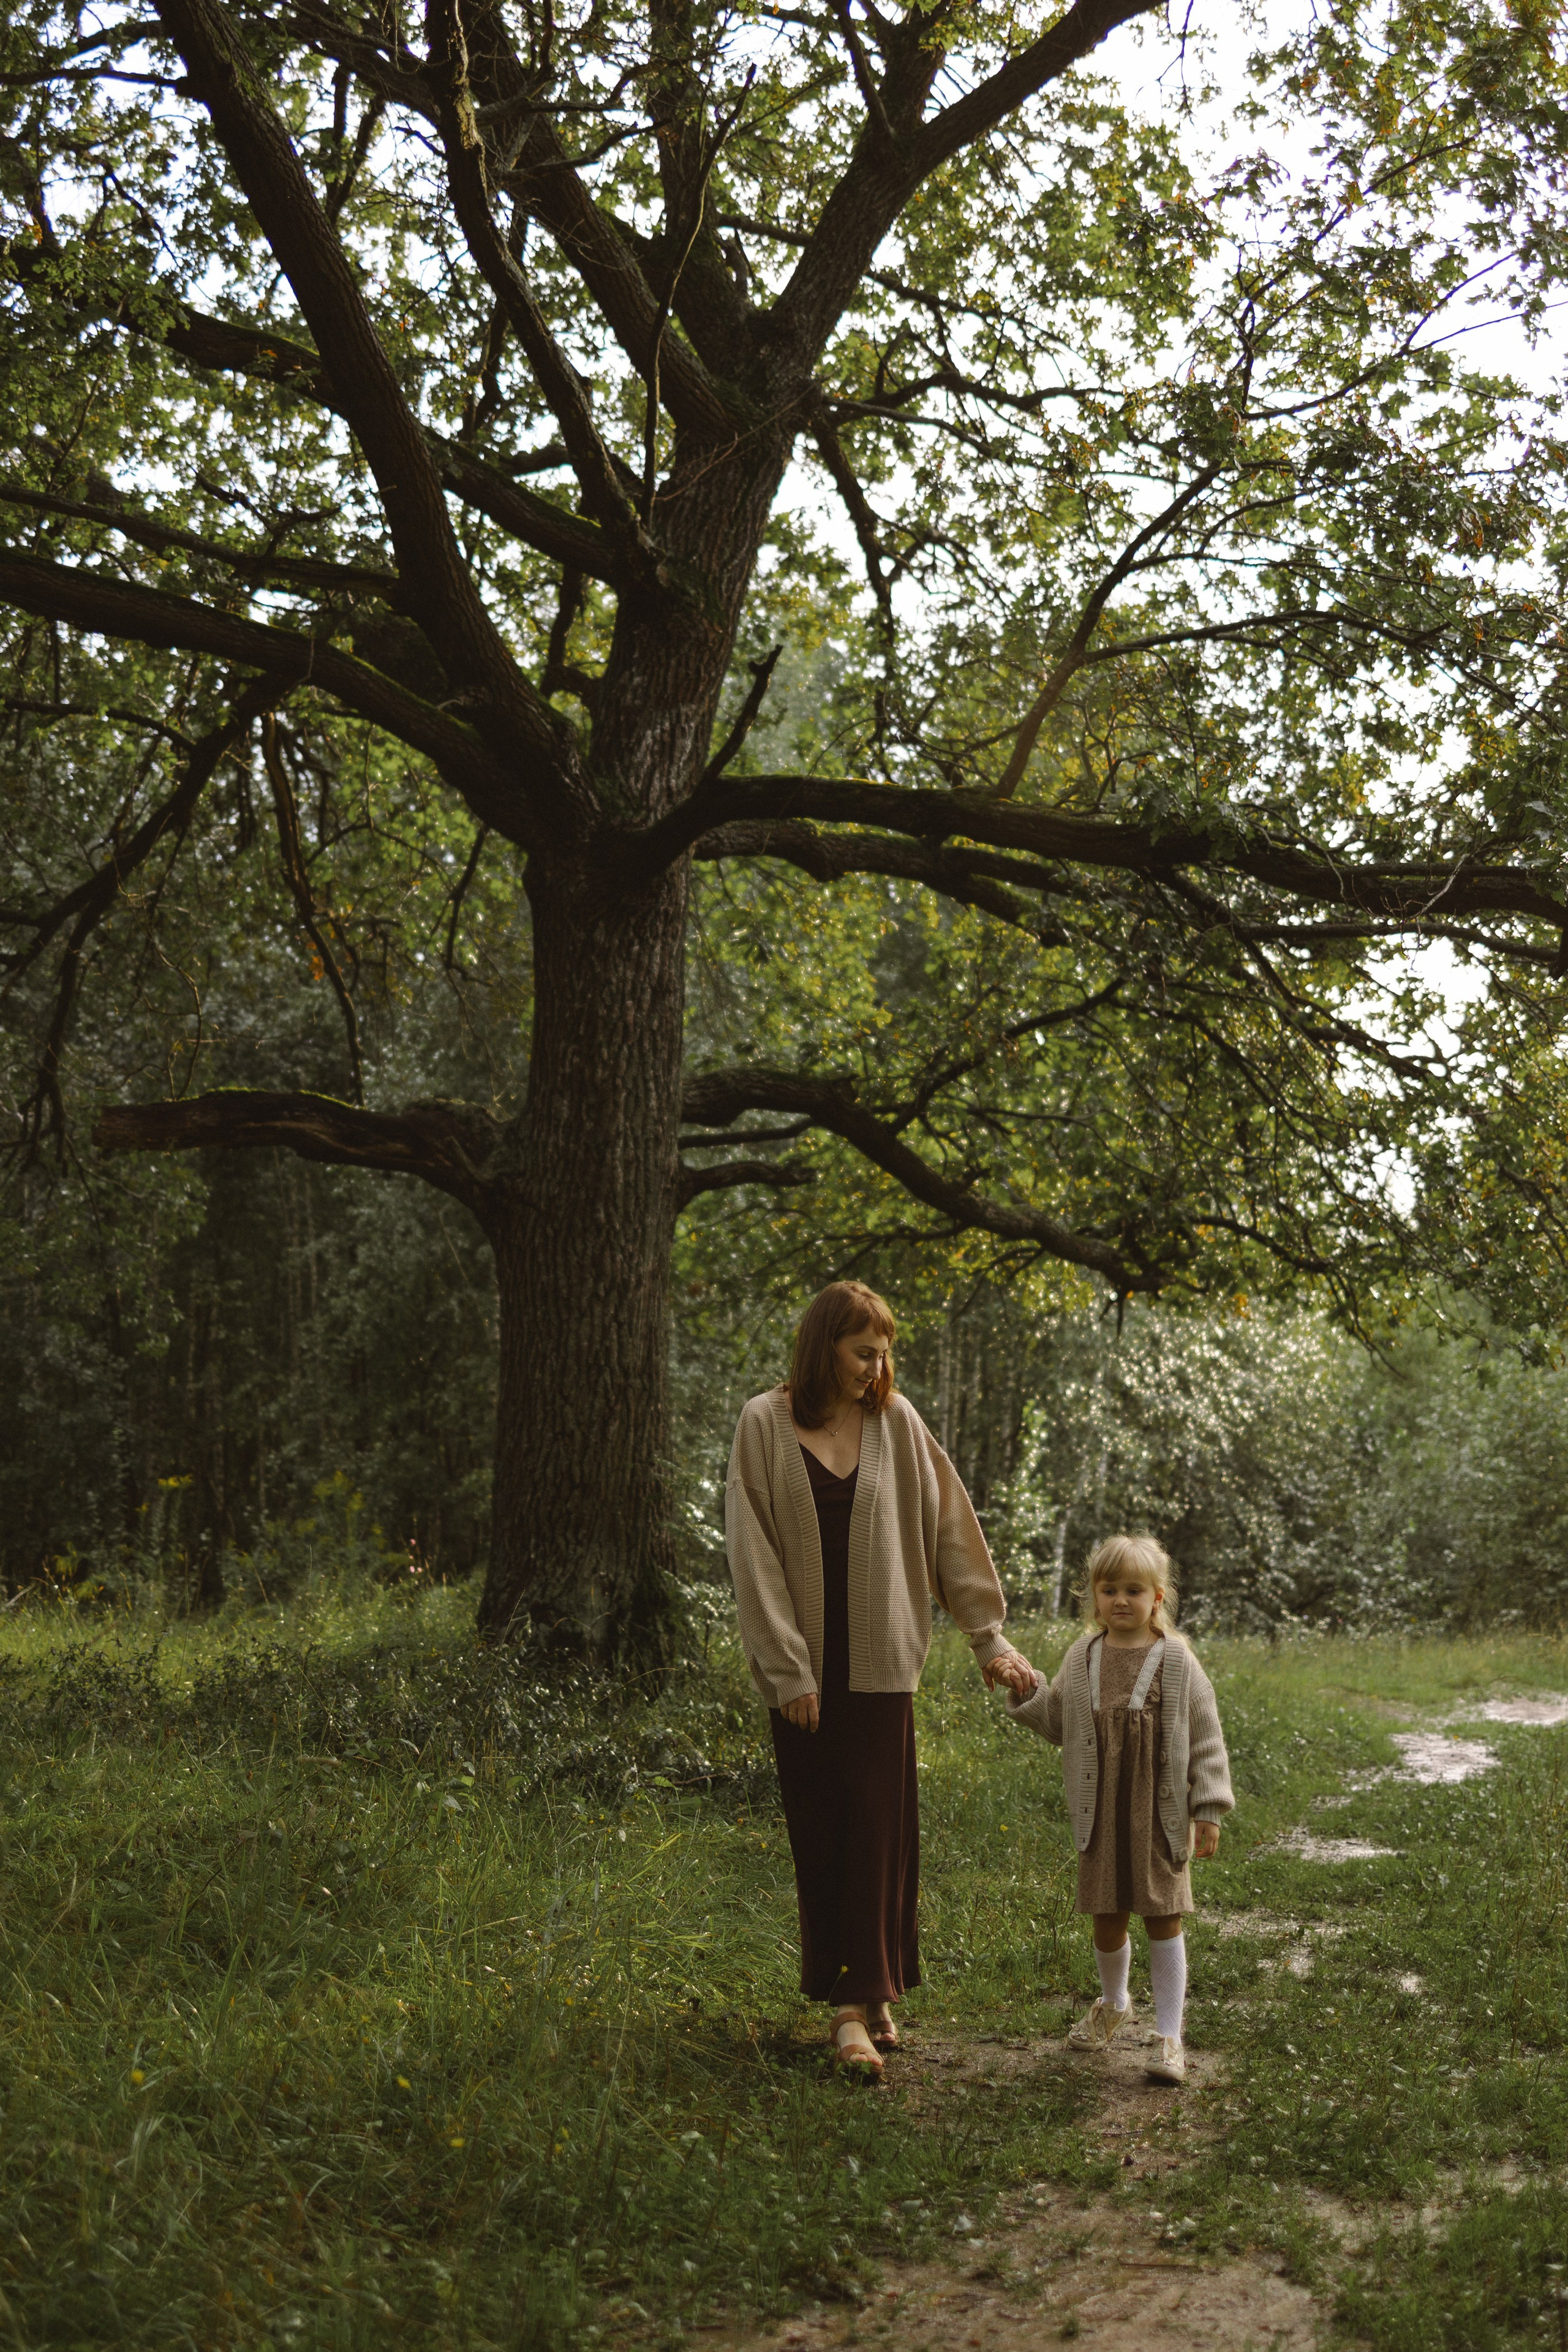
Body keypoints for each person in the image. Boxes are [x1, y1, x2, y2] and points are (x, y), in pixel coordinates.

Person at [725, 1281, 1035, 2077]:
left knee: (880, 1833)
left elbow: (950, 1530)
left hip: (883, 1664)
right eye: (865, 1350)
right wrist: (786, 1667)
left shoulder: (896, 1424)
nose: (878, 1365)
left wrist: (987, 1637)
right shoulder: (764, 1423)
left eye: (885, 1350)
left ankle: (861, 2005)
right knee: (825, 1834)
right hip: (805, 1673)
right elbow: (752, 1555)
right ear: (825, 1344)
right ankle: (860, 1995)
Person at [1004, 1534, 1233, 2084]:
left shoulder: (1176, 1658)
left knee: (1163, 1915)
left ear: (1159, 1597)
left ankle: (1170, 2036)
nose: (1121, 1601)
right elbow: (1060, 1723)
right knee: (1106, 1917)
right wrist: (1026, 1692)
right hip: (1102, 1812)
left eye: (1135, 1590)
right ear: (1094, 1597)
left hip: (1159, 1814)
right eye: (1109, 1590)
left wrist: (1209, 1805)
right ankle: (1114, 2003)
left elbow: (1205, 1735)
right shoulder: (1082, 1658)